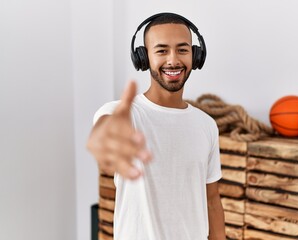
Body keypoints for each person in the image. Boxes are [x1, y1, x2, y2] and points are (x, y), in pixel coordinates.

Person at [87, 12, 226, 240]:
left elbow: (211, 199)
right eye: (161, 50)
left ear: (196, 55)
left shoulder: (206, 125)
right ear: (143, 58)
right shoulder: (125, 113)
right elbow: (106, 126)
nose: (173, 60)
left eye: (182, 49)